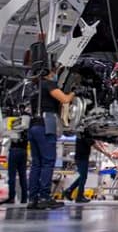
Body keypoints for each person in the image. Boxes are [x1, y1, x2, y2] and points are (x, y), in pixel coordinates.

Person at [28, 68, 75, 210]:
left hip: (33, 126)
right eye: (53, 73)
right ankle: (45, 198)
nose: (55, 75)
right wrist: (73, 92)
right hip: (45, 126)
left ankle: (33, 199)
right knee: (48, 162)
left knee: (36, 164)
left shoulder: (35, 89)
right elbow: (65, 99)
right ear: (49, 74)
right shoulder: (48, 84)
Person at [63, 132, 94, 203]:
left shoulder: (81, 134)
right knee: (83, 177)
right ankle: (79, 196)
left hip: (81, 158)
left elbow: (92, 142)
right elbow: (93, 144)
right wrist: (105, 152)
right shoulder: (85, 134)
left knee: (82, 176)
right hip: (82, 159)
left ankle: (69, 191)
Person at [1, 125, 27, 205]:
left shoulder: (12, 129)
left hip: (14, 151)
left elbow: (3, 134)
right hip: (23, 152)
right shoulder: (26, 130)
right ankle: (24, 199)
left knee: (11, 176)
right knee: (23, 177)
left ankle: (11, 197)